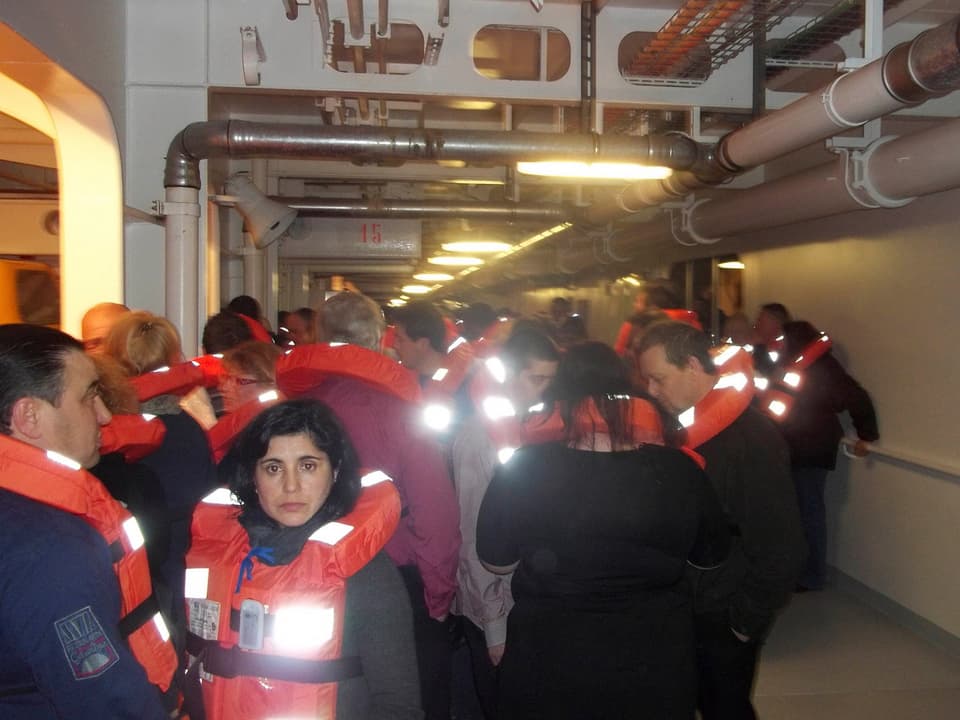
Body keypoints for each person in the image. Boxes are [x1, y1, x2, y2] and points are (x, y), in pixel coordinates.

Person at [477, 341, 730, 720]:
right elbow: (710, 557)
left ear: (559, 400)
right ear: (636, 396)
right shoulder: (679, 469)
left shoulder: (525, 466)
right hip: (653, 656)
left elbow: (495, 561)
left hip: (550, 653)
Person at [185, 399, 422, 719]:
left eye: (308, 465)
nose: (291, 485)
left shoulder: (365, 570)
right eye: (273, 468)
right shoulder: (215, 557)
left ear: (335, 471)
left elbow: (398, 705)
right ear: (253, 477)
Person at [0, 324, 175, 719]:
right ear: (29, 416)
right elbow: (102, 698)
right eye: (89, 396)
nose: (105, 415)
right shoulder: (48, 548)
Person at [638, 321, 806, 720]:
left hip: (723, 612)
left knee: (725, 709)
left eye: (659, 378)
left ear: (693, 365)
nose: (651, 390)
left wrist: (744, 622)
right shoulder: (680, 429)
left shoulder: (751, 439)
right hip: (685, 606)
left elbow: (783, 545)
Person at [311, 291, 461, 720]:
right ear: (377, 338)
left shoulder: (297, 409)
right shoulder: (400, 409)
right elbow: (436, 514)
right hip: (395, 581)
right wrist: (437, 599)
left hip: (314, 576)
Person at [451, 326, 560, 718]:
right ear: (510, 375)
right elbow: (470, 539)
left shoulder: (541, 430)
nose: (546, 389)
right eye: (537, 379)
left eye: (552, 379)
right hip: (493, 613)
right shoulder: (478, 439)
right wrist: (494, 627)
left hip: (532, 607)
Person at [776, 320, 879, 592]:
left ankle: (812, 576)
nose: (781, 345)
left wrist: (866, 436)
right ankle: (802, 571)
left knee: (810, 512)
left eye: (784, 340)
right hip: (798, 448)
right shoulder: (799, 366)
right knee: (801, 512)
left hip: (812, 450)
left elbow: (858, 398)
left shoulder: (824, 368)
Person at [751, 302, 791, 377]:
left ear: (776, 323)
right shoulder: (752, 342)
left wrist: (759, 346)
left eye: (761, 321)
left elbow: (771, 373)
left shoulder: (786, 348)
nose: (756, 324)